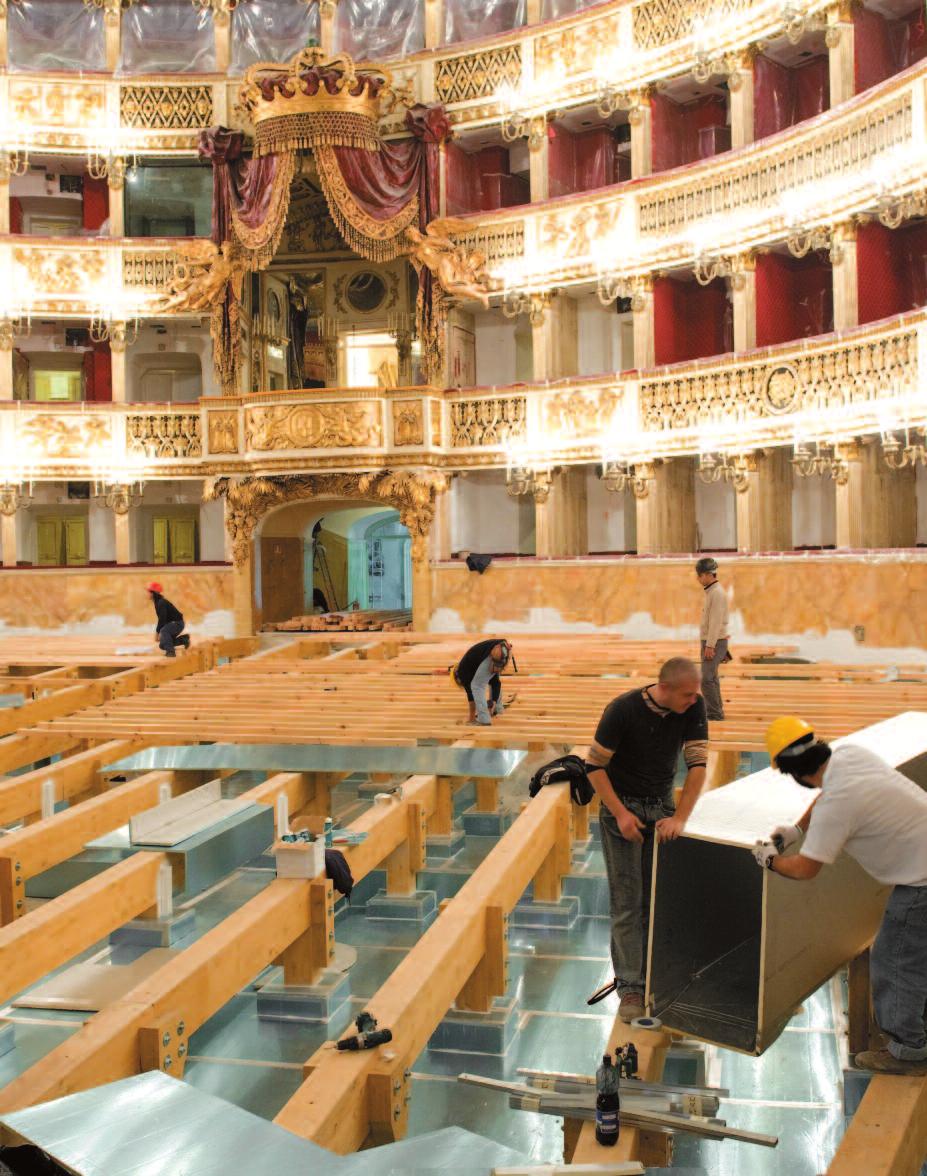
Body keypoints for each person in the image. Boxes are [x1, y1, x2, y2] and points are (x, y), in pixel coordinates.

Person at [755, 716, 927, 1075]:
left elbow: (804, 869)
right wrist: (796, 830)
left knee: (893, 962)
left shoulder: (838, 807)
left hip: (920, 882)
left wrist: (771, 860)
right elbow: (825, 797)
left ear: (794, 773)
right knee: (913, 955)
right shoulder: (850, 755)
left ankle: (908, 1052)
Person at [585, 657, 709, 1022]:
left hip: (662, 806)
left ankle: (659, 976)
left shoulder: (692, 704)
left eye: (695, 694)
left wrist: (680, 817)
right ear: (665, 688)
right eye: (686, 694)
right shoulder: (622, 710)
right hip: (621, 808)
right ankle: (631, 989)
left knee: (657, 899)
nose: (693, 700)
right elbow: (594, 767)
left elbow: (699, 764)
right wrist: (622, 814)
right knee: (628, 901)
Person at [695, 556, 730, 722]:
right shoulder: (713, 592)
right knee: (712, 678)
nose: (698, 578)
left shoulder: (716, 593)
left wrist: (710, 646)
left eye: (700, 575)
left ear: (708, 574)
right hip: (713, 641)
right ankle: (717, 710)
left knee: (706, 679)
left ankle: (714, 714)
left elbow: (715, 622)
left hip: (713, 642)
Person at [451, 638, 515, 726]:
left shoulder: (462, 673)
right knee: (487, 681)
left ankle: (483, 719)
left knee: (477, 686)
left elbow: (471, 698)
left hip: (496, 652)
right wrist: (494, 701)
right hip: (503, 650)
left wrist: (471, 719)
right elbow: (495, 683)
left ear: (457, 678)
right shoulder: (474, 665)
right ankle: (497, 709)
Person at [147, 582, 190, 658]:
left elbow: (162, 620)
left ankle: (171, 653)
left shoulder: (161, 602)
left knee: (164, 631)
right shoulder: (158, 602)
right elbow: (163, 619)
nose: (148, 594)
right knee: (163, 645)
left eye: (150, 592)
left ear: (154, 593)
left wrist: (158, 633)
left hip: (177, 623)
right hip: (173, 624)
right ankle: (183, 640)